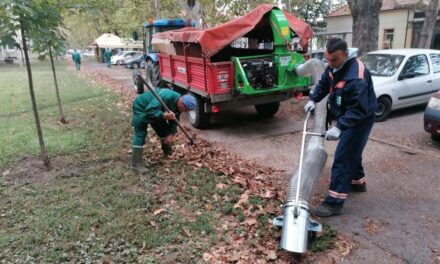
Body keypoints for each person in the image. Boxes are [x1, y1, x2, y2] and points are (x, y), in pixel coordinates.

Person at [304, 38, 377, 217]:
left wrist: (339, 127)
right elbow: (324, 83)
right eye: (327, 59)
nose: (330, 63)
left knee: (344, 156)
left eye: (334, 60)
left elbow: (358, 109)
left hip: (360, 118)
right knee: (353, 150)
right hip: (347, 113)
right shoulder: (335, 65)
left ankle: (334, 203)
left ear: (345, 55)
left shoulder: (355, 77)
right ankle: (358, 182)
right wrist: (313, 99)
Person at [131, 88, 196, 174]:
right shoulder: (167, 96)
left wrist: (172, 134)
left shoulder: (179, 105)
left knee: (164, 131)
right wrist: (163, 115)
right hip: (142, 107)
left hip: (157, 110)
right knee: (140, 134)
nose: (185, 112)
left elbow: (174, 119)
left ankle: (167, 152)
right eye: (186, 110)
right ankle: (136, 165)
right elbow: (150, 110)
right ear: (182, 104)